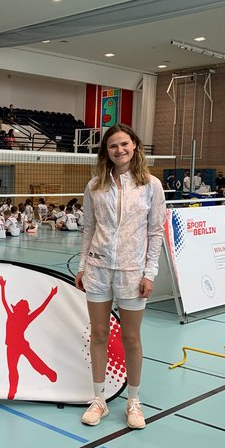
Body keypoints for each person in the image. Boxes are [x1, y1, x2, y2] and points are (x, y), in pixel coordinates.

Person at [75, 124, 165, 430]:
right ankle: (98, 399)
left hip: (132, 273)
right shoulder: (94, 186)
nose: (119, 150)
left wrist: (149, 273)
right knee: (99, 334)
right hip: (98, 270)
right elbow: (89, 228)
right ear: (106, 151)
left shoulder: (151, 185)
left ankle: (133, 401)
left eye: (124, 144)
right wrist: (83, 267)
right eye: (113, 146)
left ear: (135, 145)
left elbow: (155, 232)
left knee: (131, 338)